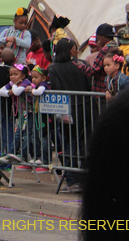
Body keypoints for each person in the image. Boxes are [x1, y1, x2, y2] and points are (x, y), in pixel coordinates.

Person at [47, 38, 90, 193]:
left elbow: (57, 88)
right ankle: (80, 180)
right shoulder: (81, 65)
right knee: (83, 144)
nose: (76, 50)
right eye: (75, 48)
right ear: (71, 49)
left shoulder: (54, 67)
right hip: (84, 108)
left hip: (68, 111)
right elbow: (89, 85)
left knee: (70, 145)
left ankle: (72, 180)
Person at [0, 64, 34, 165]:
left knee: (26, 135)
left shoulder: (25, 82)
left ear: (22, 76)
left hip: (31, 112)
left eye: (15, 74)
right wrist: (9, 92)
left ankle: (22, 155)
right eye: (11, 74)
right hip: (23, 113)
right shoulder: (14, 83)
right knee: (18, 133)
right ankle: (12, 153)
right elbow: (0, 92)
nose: (12, 77)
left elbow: (17, 92)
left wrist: (13, 87)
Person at [26, 65, 51, 171]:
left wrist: (31, 90)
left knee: (44, 137)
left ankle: (45, 159)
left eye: (36, 77)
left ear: (43, 78)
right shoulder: (35, 86)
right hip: (37, 114)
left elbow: (39, 92)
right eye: (32, 78)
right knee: (34, 136)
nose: (34, 80)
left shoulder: (44, 85)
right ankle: (36, 156)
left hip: (45, 115)